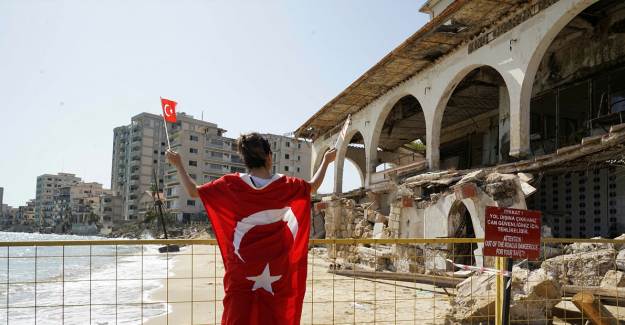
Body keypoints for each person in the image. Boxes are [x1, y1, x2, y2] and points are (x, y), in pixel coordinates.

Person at [166, 132, 336, 325]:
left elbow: (193, 191)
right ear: (269, 157)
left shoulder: (232, 184)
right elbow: (313, 186)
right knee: (276, 317)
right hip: (277, 273)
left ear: (245, 160)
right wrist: (327, 161)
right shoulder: (285, 185)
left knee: (238, 316)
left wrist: (178, 163)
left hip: (241, 273)